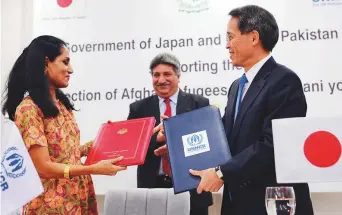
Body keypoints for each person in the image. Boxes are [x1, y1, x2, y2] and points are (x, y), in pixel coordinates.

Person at [188, 5, 314, 215]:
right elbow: (224, 137)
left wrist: (220, 173)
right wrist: (180, 147)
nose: (226, 45)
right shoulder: (237, 86)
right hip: (237, 203)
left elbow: (273, 144)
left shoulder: (284, 81)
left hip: (272, 203)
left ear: (254, 38)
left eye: (230, 37)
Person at [1, 35, 128, 215]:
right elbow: (43, 167)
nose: (71, 69)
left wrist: (106, 138)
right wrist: (92, 169)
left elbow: (67, 153)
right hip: (51, 205)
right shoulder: (29, 109)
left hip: (78, 198)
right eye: (65, 62)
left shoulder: (61, 105)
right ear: (46, 63)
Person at [127, 53, 213, 215]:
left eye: (167, 74)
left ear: (178, 76)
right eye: (156, 75)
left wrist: (175, 145)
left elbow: (208, 144)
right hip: (152, 189)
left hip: (192, 187)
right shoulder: (138, 109)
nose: (161, 80)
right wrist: (156, 138)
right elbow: (132, 148)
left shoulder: (199, 104)